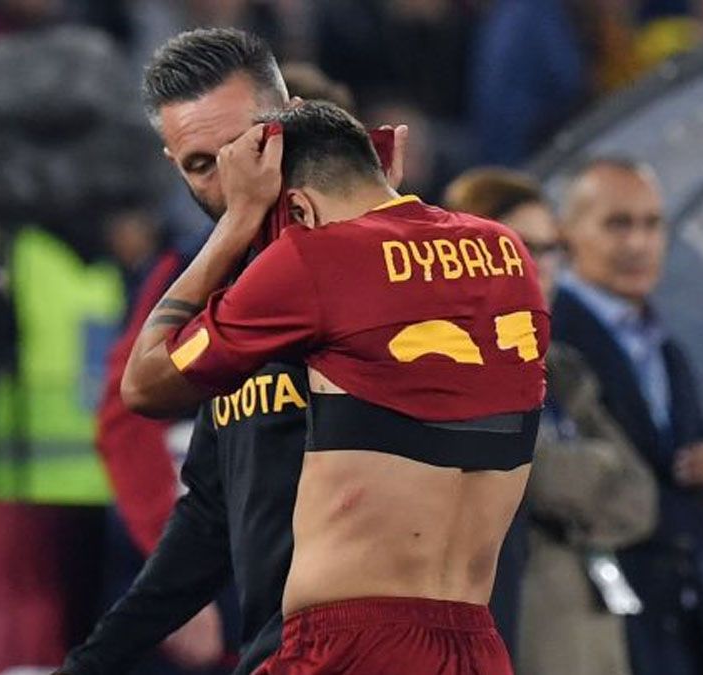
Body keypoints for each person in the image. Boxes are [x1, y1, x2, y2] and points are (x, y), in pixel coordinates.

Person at [122, 101, 546, 674]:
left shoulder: (316, 258)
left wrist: (236, 222)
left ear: (298, 207)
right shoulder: (507, 252)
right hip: (477, 644)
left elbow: (145, 383)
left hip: (347, 648)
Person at [57, 28, 406, 675]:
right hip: (249, 612)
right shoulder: (189, 276)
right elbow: (145, 433)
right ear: (172, 163)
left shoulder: (401, 263)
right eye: (200, 165)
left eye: (246, 147)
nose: (230, 181)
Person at [551, 157, 703, 675]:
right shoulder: (551, 335)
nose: (638, 243)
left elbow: (692, 476)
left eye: (652, 225)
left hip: (671, 624)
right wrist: (690, 510)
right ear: (567, 234)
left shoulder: (664, 345)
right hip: (592, 625)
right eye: (617, 223)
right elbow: (588, 490)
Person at [446, 167, 658, 675]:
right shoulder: (453, 361)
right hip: (514, 633)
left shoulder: (563, 369)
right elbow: (534, 472)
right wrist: (594, 470)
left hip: (590, 640)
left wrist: (570, 483)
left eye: (551, 249)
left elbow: (640, 498)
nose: (540, 266)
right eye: (523, 247)